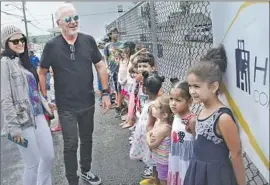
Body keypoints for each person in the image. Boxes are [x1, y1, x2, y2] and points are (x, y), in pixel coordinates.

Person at [37, 3, 111, 185]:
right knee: (71, 144)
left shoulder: (88, 40)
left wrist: (106, 92)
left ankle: (86, 170)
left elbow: (100, 65)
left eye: (76, 18)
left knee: (87, 139)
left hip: (87, 101)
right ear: (59, 23)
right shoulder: (51, 46)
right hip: (66, 106)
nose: (73, 22)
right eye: (68, 19)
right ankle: (72, 180)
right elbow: (42, 71)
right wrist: (44, 98)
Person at [184, 45, 246, 185]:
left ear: (214, 87)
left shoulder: (223, 118)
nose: (192, 91)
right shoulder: (203, 108)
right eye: (190, 86)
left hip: (216, 175)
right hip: (198, 170)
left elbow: (236, 154)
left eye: (197, 86)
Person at [1, 25, 54, 185]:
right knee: (32, 164)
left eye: (22, 39)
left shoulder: (24, 62)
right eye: (15, 40)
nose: (20, 43)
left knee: (48, 156)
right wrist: (13, 127)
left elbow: (34, 92)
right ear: (6, 43)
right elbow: (5, 98)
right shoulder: (4, 63)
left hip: (38, 116)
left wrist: (46, 104)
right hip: (21, 121)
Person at [129, 72, 165, 185]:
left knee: (155, 161)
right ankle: (154, 178)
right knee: (153, 161)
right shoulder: (153, 103)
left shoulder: (154, 106)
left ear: (145, 89)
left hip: (151, 135)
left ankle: (157, 181)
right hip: (148, 134)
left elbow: (152, 123)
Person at [167, 79, 196, 185]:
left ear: (189, 101)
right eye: (171, 99)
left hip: (187, 162)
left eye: (178, 100)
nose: (173, 104)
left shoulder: (192, 121)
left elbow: (197, 144)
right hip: (175, 158)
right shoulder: (176, 116)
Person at [146, 95, 173, 185]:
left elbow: (152, 144)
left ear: (164, 114)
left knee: (163, 181)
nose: (152, 108)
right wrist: (150, 135)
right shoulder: (158, 121)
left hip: (164, 161)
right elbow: (152, 135)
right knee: (160, 177)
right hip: (159, 158)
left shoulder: (165, 128)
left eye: (155, 107)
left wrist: (147, 135)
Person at [104, 27, 122, 111]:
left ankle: (119, 102)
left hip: (121, 68)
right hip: (112, 68)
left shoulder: (121, 44)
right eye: (114, 33)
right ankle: (117, 102)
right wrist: (107, 67)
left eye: (117, 32)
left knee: (120, 85)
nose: (116, 34)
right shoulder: (107, 46)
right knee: (115, 85)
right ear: (110, 35)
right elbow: (106, 57)